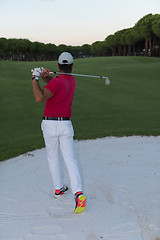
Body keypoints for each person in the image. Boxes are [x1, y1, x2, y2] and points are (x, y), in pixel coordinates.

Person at [32, 52, 86, 214]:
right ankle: (78, 193)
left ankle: (58, 189)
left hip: (50, 125)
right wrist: (45, 77)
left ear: (58, 66)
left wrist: (35, 78)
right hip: (65, 125)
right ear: (72, 66)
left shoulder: (57, 83)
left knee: (53, 157)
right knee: (70, 159)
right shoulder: (72, 80)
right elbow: (54, 85)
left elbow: (39, 97)